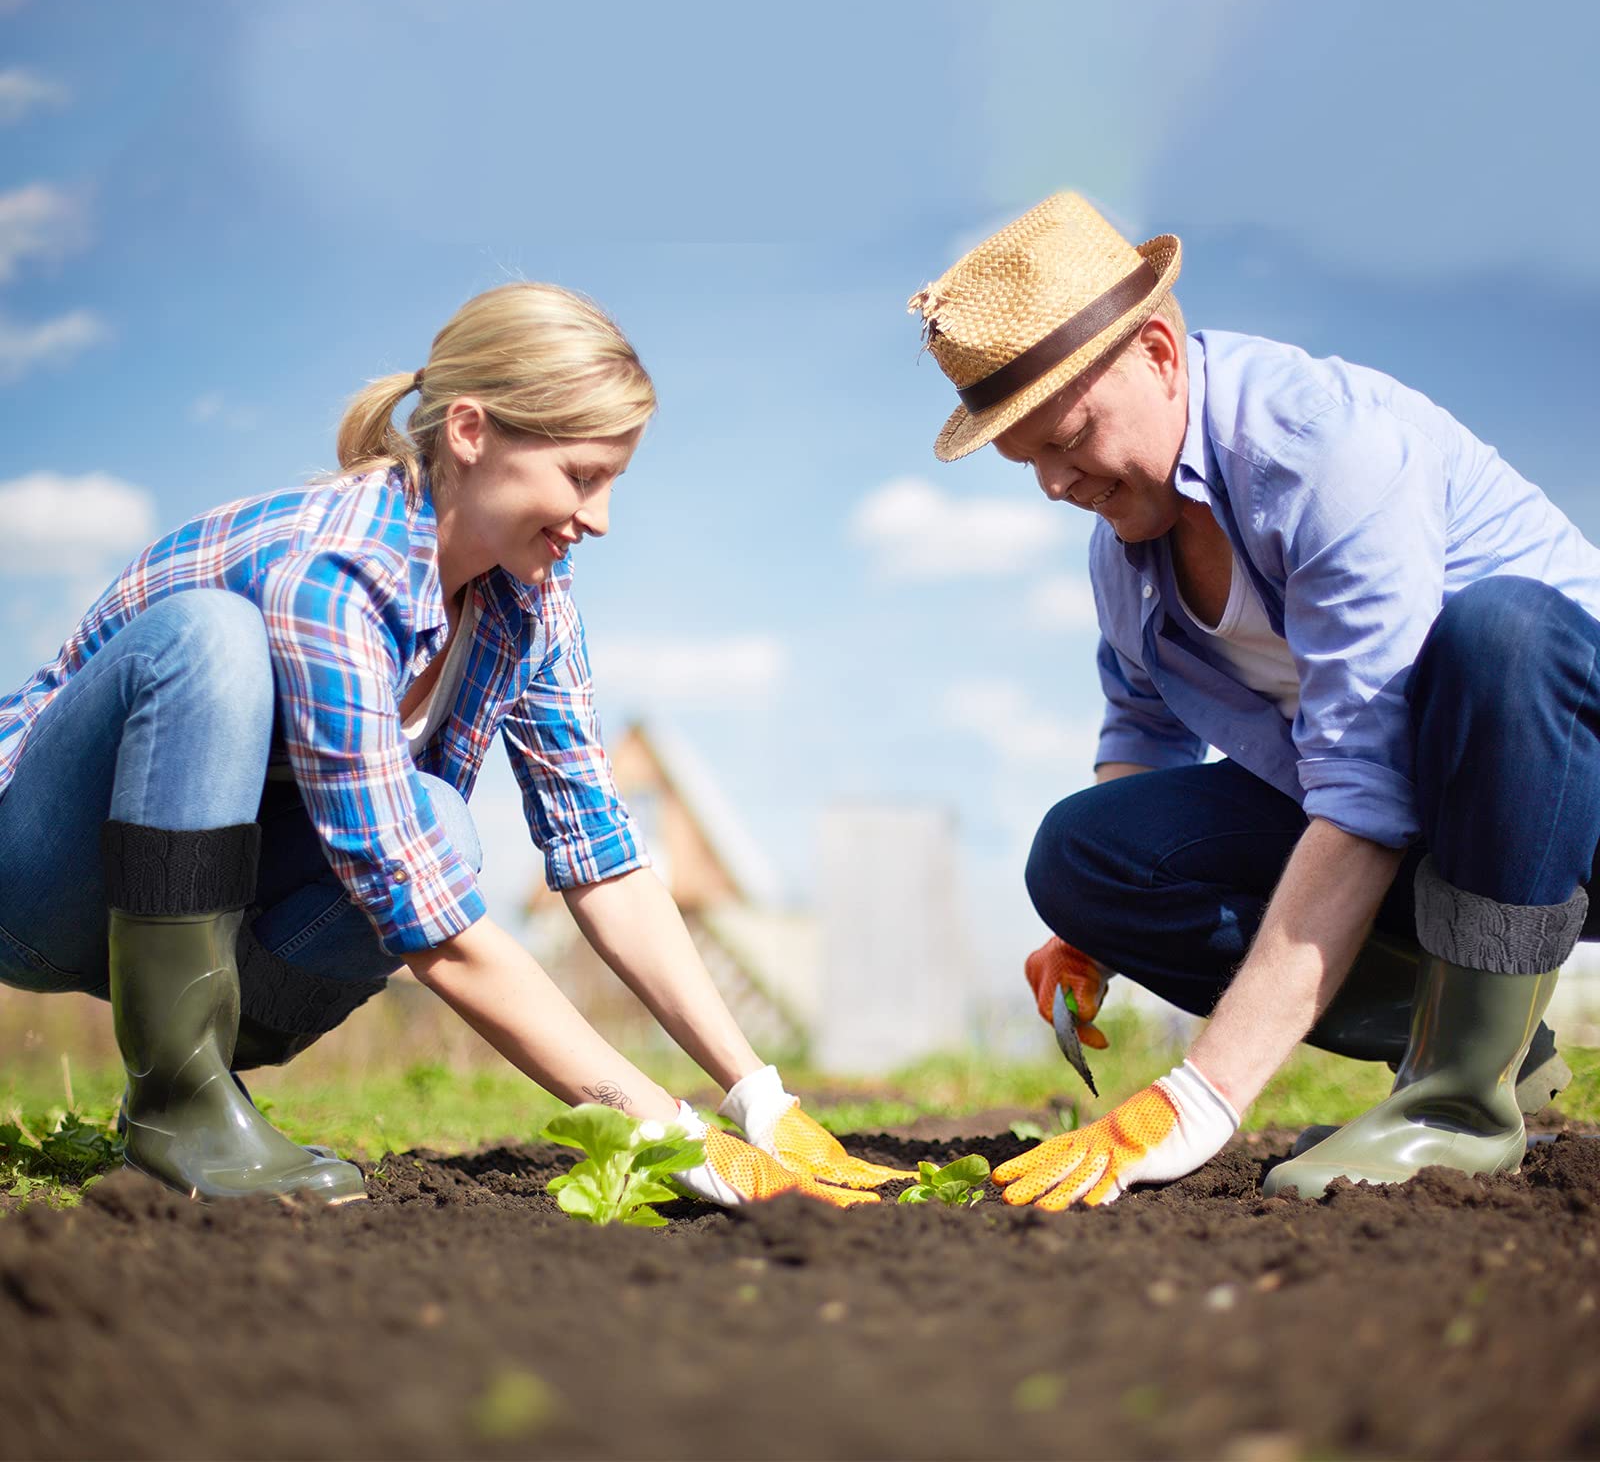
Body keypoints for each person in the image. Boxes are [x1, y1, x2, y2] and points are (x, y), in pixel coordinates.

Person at [0, 281, 905, 1206]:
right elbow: (414, 904)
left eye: (612, 483)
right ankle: (179, 1103)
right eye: (581, 477)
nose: (599, 519)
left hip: (208, 921)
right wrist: (662, 1130)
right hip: (42, 884)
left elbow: (600, 856)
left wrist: (759, 1099)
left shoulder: (528, 603)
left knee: (441, 824)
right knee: (213, 640)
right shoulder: (338, 572)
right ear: (470, 433)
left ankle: (186, 1069)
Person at [906, 192, 1600, 1206]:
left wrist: (1200, 1095)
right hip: (1419, 831)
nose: (1055, 485)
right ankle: (1469, 1030)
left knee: (1501, 633)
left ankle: (1458, 1097)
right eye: (1031, 463)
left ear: (1155, 349)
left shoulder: (1321, 446)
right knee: (1083, 855)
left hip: (1564, 801)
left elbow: (1364, 785)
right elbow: (1141, 725)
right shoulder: (1128, 554)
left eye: (1070, 437)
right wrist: (1090, 934)